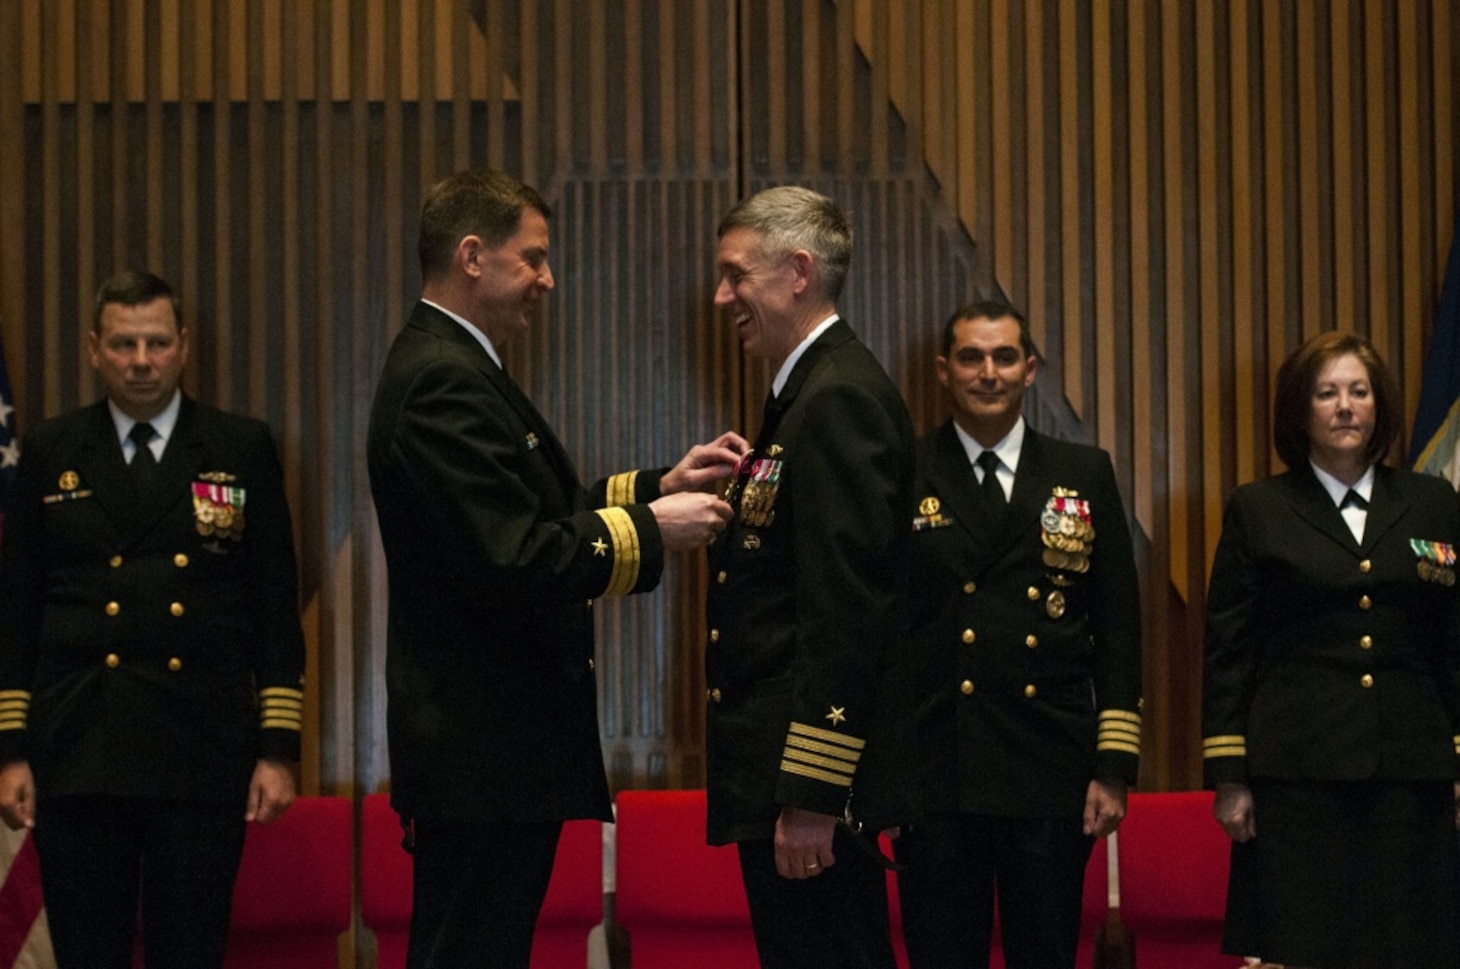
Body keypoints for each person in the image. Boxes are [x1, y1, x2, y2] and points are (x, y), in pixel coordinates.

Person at [366, 168, 743, 969]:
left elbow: (535, 510)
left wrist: (656, 487)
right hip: (481, 754)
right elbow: (509, 555)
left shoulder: (460, 364)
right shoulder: (442, 379)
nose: (547, 278)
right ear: (473, 255)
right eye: (532, 257)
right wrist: (651, 529)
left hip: (492, 754)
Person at [0, 270, 306, 967]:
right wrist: (12, 749)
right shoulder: (52, 451)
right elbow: (16, 612)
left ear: (184, 346)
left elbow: (272, 607)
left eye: (157, 342)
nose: (141, 360)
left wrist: (277, 746)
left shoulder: (238, 447)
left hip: (199, 746)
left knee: (190, 952)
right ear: (94, 349)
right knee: (89, 952)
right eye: (124, 343)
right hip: (80, 747)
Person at [703, 185, 917, 969]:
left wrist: (814, 793)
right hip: (790, 780)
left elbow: (847, 611)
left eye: (735, 275)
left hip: (811, 793)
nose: (722, 296)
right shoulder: (807, 392)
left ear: (797, 271)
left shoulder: (837, 399)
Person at [894, 300, 1143, 969]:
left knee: (1045, 954)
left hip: (1049, 768)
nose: (989, 372)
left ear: (1030, 369)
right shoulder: (905, 471)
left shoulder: (1082, 472)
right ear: (944, 371)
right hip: (937, 768)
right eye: (971, 357)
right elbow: (881, 627)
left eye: (1004, 356)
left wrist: (1113, 765)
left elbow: (1118, 623)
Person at [1203, 330, 1460, 968]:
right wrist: (1230, 777)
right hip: (1298, 773)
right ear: (1300, 410)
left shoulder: (1431, 502)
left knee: (1410, 944)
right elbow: (1229, 649)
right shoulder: (1259, 508)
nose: (1345, 406)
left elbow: (1452, 640)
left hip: (1410, 768)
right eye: (1327, 393)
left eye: (1359, 391)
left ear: (1380, 407)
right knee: (1307, 944)